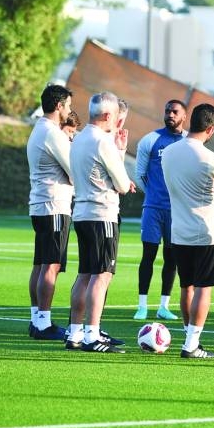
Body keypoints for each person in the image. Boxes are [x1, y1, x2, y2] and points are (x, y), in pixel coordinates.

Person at [162, 103, 214, 359]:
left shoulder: (169, 153)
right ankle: (191, 345)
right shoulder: (212, 159)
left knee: (187, 287)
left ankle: (189, 337)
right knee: (203, 288)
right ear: (211, 128)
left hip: (179, 231)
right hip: (208, 232)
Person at [64, 91, 136, 353]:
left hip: (81, 212)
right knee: (101, 275)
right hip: (102, 214)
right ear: (107, 115)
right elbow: (120, 182)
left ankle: (74, 332)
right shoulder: (102, 142)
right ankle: (92, 335)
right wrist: (120, 156)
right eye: (115, 115)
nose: (117, 120)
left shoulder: (79, 139)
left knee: (84, 273)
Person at [27, 84, 75, 340]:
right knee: (51, 264)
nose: (69, 110)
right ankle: (43, 323)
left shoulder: (39, 129)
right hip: (54, 204)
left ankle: (36, 319)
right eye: (67, 105)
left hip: (40, 204)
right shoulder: (53, 134)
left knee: (40, 263)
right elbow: (73, 169)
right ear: (59, 106)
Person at [133, 99, 186, 322]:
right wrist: (154, 193)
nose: (170, 114)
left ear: (184, 115)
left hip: (177, 212)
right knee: (148, 255)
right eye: (167, 111)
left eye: (175, 111)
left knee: (171, 258)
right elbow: (140, 174)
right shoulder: (151, 139)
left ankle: (164, 305)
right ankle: (142, 305)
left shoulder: (189, 142)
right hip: (153, 208)